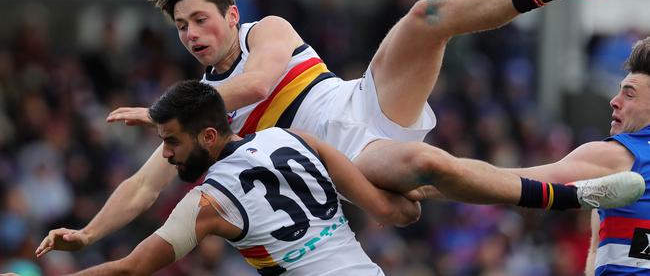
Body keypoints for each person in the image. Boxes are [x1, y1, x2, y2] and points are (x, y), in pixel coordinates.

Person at [37, 0, 627, 254]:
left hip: (362, 98)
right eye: (180, 27)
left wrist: (170, 108)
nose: (191, 33)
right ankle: (574, 198)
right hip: (353, 159)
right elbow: (143, 187)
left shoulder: (265, 32)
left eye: (200, 19)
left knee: (425, 17)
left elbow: (260, 81)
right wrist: (87, 235)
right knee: (430, 167)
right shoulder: (198, 114)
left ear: (232, 16)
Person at [39, 80, 421, 275]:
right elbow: (397, 212)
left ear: (208, 136)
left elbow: (131, 268)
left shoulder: (210, 200)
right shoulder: (292, 137)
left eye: (172, 142)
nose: (167, 153)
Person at [502, 37, 650, 275]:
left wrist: (436, 178)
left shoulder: (621, 156)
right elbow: (595, 252)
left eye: (629, 95)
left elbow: (513, 183)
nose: (614, 101)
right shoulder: (617, 164)